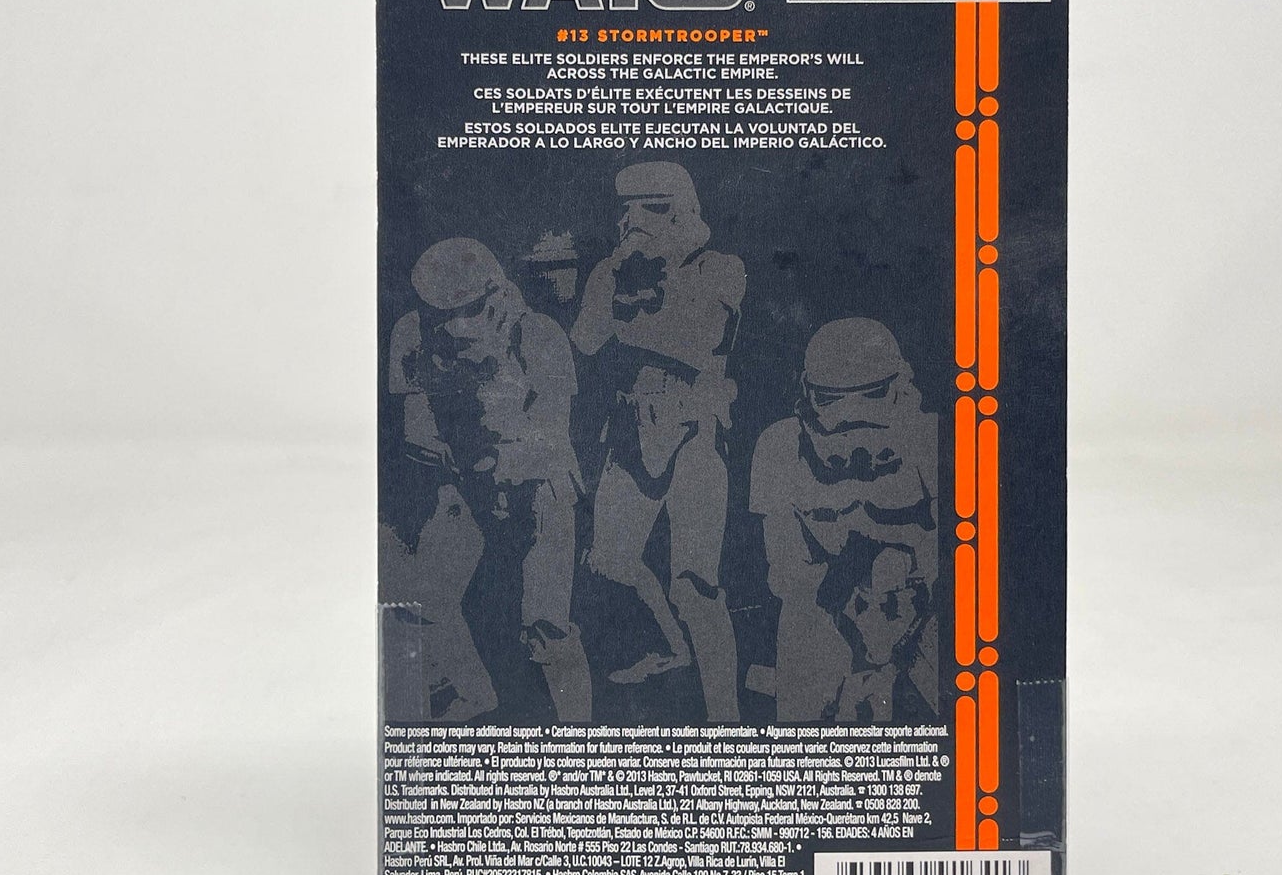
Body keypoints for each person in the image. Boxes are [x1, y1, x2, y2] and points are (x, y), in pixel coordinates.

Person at [381, 237, 592, 722]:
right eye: (442, 315)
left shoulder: (540, 336)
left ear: (499, 293)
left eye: (471, 310)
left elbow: (551, 439)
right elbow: (418, 434)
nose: (456, 326)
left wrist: (494, 372)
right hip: (463, 479)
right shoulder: (412, 332)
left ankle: (578, 733)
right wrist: (463, 474)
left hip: (539, 485)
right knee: (423, 596)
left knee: (545, 631)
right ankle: (477, 693)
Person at [572, 162, 745, 719]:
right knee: (609, 561)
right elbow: (587, 340)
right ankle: (672, 645)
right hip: (632, 427)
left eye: (654, 208)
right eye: (628, 209)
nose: (636, 220)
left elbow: (700, 340)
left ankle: (725, 718)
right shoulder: (614, 270)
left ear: (683, 210)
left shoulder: (721, 268)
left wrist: (645, 285)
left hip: (696, 431)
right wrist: (615, 279)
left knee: (695, 585)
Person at [750, 318, 940, 723]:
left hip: (920, 608)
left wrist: (897, 587)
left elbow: (961, 560)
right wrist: (855, 591)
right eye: (832, 400)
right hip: (827, 602)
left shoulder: (931, 442)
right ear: (808, 394)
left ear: (902, 387)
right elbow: (785, 574)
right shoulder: (781, 448)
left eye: (873, 395)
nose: (852, 418)